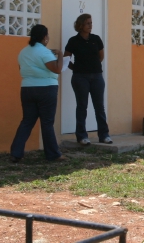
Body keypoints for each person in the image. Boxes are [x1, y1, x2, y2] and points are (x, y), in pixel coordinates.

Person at [10, 24, 66, 163]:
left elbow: (22, 69)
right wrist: (60, 54)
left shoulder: (23, 52)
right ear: (44, 36)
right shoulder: (45, 52)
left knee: (27, 121)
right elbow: (57, 69)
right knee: (47, 123)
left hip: (27, 88)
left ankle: (16, 152)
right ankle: (53, 154)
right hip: (46, 88)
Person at [64, 14, 112, 145]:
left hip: (96, 76)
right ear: (80, 25)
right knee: (82, 107)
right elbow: (66, 59)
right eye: (88, 23)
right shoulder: (73, 41)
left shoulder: (96, 39)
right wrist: (77, 68)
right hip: (80, 78)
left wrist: (92, 66)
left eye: (91, 23)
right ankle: (82, 136)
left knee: (99, 107)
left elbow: (100, 57)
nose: (91, 25)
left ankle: (104, 135)